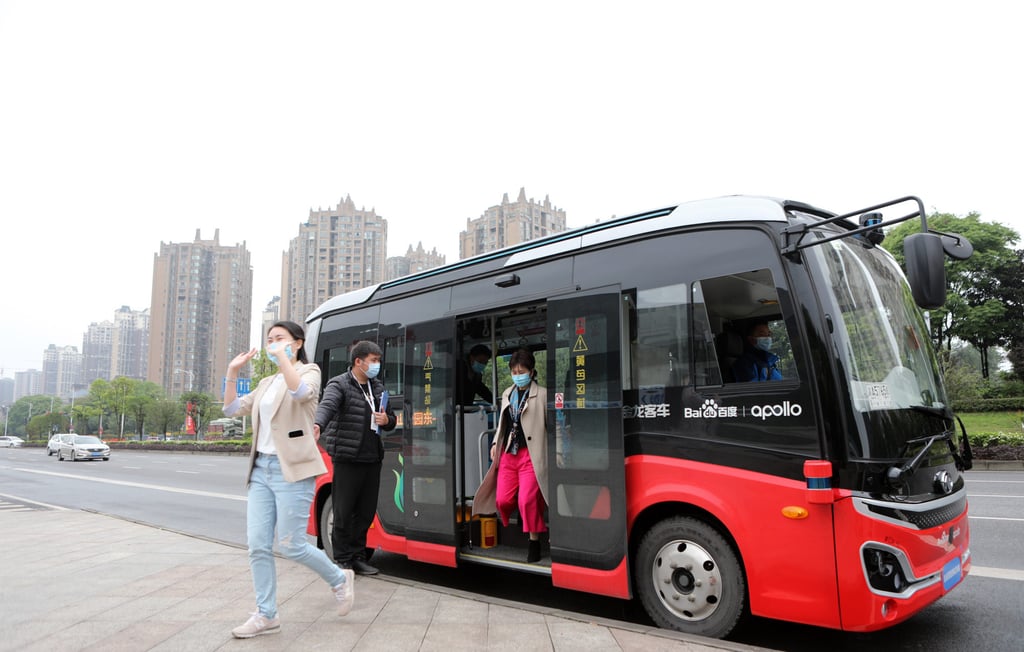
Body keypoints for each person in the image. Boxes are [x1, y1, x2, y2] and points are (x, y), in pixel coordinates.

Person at [223, 320, 354, 639]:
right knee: (257, 546)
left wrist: (283, 357)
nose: (272, 344)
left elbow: (300, 393)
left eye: (279, 339)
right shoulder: (267, 383)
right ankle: (266, 614)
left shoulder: (310, 372)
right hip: (261, 471)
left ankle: (339, 578)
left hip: (291, 468)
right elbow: (231, 409)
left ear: (297, 343)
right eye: (269, 340)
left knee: (293, 544)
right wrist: (232, 372)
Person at [314, 340, 397, 576]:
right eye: (373, 360)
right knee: (343, 510)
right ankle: (342, 559)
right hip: (347, 457)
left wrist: (387, 421)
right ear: (358, 361)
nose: (376, 365)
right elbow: (327, 405)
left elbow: (390, 418)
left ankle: (359, 556)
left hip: (372, 457)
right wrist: (318, 424)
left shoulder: (378, 387)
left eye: (378, 361)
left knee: (366, 511)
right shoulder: (339, 384)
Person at [472, 348, 549, 563]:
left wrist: (559, 453)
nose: (518, 375)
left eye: (521, 370)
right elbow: (503, 423)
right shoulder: (508, 393)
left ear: (532, 372)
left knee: (526, 500)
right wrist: (496, 442)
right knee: (503, 500)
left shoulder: (542, 394)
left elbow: (555, 427)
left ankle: (534, 540)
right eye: (514, 371)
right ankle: (523, 517)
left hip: (530, 455)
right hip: (509, 454)